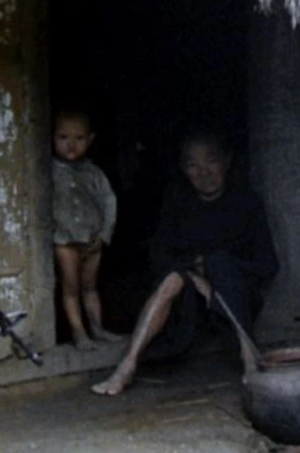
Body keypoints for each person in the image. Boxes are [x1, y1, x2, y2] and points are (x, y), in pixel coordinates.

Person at [91, 132, 279, 396]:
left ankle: (250, 360)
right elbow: (159, 254)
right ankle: (127, 366)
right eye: (193, 165)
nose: (204, 172)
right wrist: (194, 274)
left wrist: (214, 269)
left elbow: (267, 265)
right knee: (172, 278)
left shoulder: (247, 204)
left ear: (227, 160)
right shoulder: (179, 204)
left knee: (220, 264)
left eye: (211, 161)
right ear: (183, 170)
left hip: (235, 302)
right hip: (191, 306)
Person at [51, 109, 121, 350]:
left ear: (90, 140)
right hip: (65, 241)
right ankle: (79, 333)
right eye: (63, 138)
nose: (71, 145)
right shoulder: (48, 171)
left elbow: (110, 202)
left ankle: (97, 329)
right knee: (71, 287)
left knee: (90, 287)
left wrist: (104, 234)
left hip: (92, 240)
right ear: (52, 138)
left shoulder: (94, 172)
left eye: (79, 138)